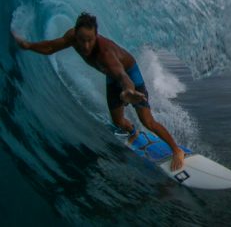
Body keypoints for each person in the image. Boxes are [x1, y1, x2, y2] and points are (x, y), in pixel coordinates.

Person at [11, 12, 185, 171]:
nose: (86, 45)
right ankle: (133, 132)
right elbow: (50, 47)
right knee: (118, 121)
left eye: (90, 40)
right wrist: (27, 45)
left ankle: (176, 150)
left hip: (130, 76)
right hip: (111, 77)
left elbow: (123, 76)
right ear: (76, 34)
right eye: (82, 39)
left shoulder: (106, 55)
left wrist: (128, 92)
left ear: (96, 36)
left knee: (147, 121)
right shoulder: (72, 37)